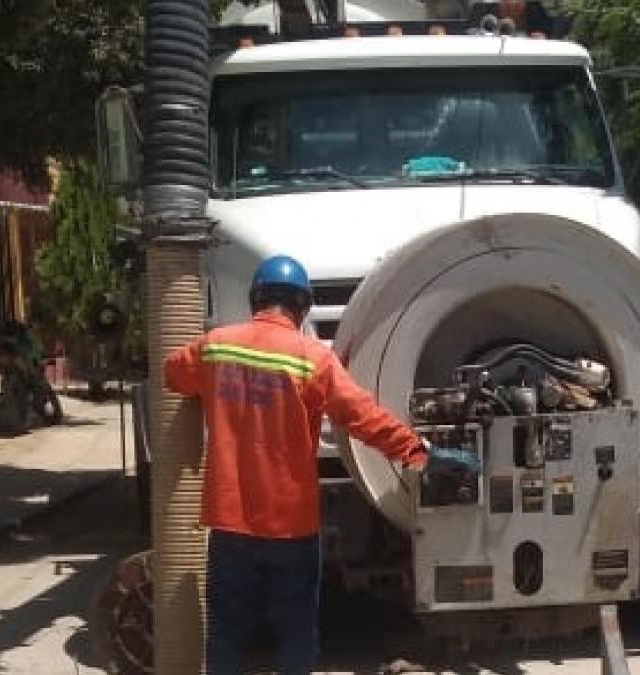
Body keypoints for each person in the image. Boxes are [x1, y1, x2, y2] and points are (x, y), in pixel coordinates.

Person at [164, 254, 479, 675]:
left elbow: (172, 375)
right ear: (302, 306)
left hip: (230, 520)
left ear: (256, 297)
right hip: (290, 523)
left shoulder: (217, 345)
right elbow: (363, 417)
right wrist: (420, 452)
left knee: (226, 629)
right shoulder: (312, 358)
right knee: (295, 631)